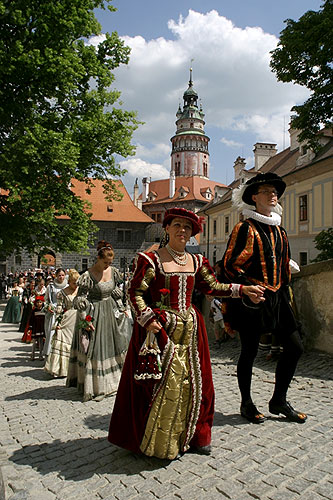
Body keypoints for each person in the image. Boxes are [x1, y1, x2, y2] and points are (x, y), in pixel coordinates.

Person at [108, 207, 264, 460]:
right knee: (158, 384)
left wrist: (243, 289)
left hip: (191, 331)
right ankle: (154, 440)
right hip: (159, 331)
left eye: (188, 227)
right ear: (167, 228)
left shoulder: (196, 261)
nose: (182, 231)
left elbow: (213, 287)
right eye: (177, 225)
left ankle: (193, 435)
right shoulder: (151, 259)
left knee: (195, 383)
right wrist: (148, 319)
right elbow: (135, 292)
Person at [222, 172, 307, 424]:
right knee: (248, 352)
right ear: (254, 197)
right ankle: (247, 403)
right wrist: (247, 286)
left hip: (278, 296)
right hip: (254, 299)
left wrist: (286, 266)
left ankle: (278, 400)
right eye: (267, 192)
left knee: (295, 347)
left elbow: (279, 259)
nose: (273, 195)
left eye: (275, 192)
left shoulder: (280, 230)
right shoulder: (244, 228)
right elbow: (229, 265)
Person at [66, 241, 132, 401]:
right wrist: (84, 320)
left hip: (110, 312)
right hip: (94, 313)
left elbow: (116, 292)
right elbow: (80, 299)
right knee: (95, 350)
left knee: (112, 347)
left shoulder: (114, 272)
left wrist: (120, 304)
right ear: (98, 258)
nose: (107, 266)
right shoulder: (87, 276)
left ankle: (111, 384)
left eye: (109, 263)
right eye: (105, 262)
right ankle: (95, 386)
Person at [44, 269, 80, 378]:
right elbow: (59, 309)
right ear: (69, 282)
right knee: (63, 343)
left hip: (79, 318)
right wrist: (58, 322)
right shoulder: (62, 293)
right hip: (67, 319)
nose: (76, 285)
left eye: (77, 283)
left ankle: (77, 369)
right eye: (74, 283)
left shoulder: (81, 291)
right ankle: (61, 369)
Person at [43, 268, 67, 357]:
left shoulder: (67, 286)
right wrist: (48, 306)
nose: (61, 277)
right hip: (53, 312)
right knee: (51, 333)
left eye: (62, 275)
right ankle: (50, 354)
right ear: (56, 276)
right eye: (59, 275)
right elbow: (46, 300)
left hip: (64, 311)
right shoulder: (51, 286)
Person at [29, 295, 46, 360]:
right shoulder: (34, 311)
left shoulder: (44, 310)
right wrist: (30, 327)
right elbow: (31, 319)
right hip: (35, 328)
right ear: (35, 303)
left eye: (40, 302)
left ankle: (40, 355)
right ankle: (32, 354)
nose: (39, 304)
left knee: (41, 342)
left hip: (41, 328)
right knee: (34, 342)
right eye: (38, 302)